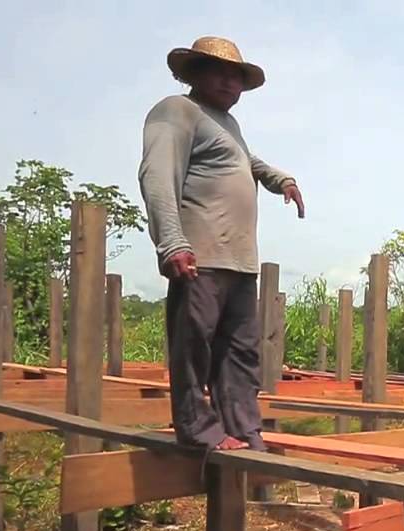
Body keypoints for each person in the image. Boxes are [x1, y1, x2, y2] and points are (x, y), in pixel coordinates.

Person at [138, 36, 304, 451]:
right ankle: (199, 431)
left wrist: (278, 178)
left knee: (240, 354)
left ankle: (243, 430)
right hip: (201, 256)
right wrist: (171, 240)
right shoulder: (176, 111)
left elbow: (242, 159)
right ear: (193, 73)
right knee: (194, 347)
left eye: (237, 76)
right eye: (220, 72)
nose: (231, 83)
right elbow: (156, 174)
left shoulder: (227, 124)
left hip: (240, 261)